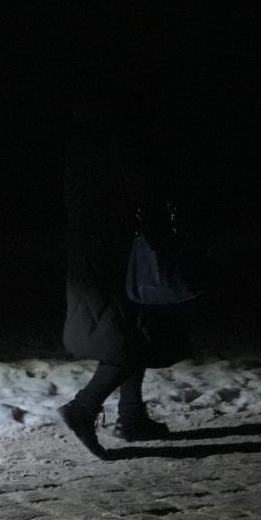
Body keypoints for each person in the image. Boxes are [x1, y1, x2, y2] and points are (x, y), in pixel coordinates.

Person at [55, 94, 191, 458]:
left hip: (93, 251)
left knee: (133, 333)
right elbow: (144, 190)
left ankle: (131, 417)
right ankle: (83, 408)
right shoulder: (117, 139)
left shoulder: (81, 139)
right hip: (120, 253)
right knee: (129, 338)